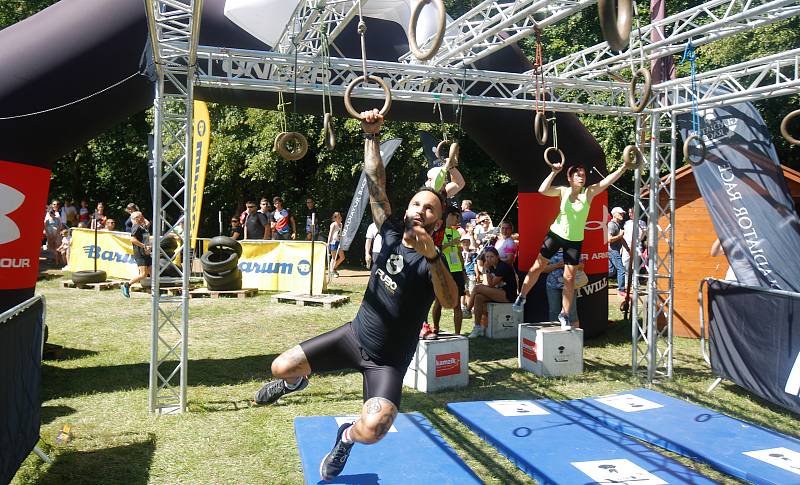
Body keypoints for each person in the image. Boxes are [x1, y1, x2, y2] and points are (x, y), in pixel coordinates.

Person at [253, 109, 458, 482]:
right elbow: (376, 182)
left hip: (388, 362)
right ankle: (294, 383)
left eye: (430, 208)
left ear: (437, 221)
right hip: (354, 337)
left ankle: (344, 438)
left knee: (374, 429)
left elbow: (449, 302)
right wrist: (371, 135)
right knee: (280, 367)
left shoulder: (435, 262)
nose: (421, 210)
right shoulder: (392, 231)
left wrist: (432, 255)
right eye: (416, 203)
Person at [513, 159, 636, 329]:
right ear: (570, 178)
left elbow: (608, 180)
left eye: (583, 175)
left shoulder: (589, 193)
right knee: (537, 266)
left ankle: (564, 313)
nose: (581, 178)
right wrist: (554, 172)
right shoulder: (563, 191)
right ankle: (522, 296)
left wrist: (623, 167)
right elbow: (542, 190)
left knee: (569, 278)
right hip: (555, 235)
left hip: (574, 241)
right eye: (578, 175)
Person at [424, 205, 466, 338]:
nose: (457, 219)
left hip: (456, 270)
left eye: (458, 217)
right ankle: (435, 327)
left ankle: (458, 334)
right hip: (442, 269)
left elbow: (458, 252)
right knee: (439, 300)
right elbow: (435, 249)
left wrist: (463, 269)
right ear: (447, 216)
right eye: (455, 216)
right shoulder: (437, 231)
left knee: (457, 303)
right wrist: (450, 243)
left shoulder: (456, 232)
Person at [466, 246, 517, 338]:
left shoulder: (503, 266)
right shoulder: (492, 266)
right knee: (478, 297)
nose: (489, 259)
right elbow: (489, 284)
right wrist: (487, 269)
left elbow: (491, 285)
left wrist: (486, 269)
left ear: (497, 257)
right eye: (487, 257)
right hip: (498, 292)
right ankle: (478, 327)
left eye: (491, 256)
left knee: (477, 288)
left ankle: (467, 310)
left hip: (508, 295)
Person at [544, 250, 582, 327]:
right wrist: (558, 265)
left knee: (572, 312)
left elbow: (581, 266)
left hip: (570, 286)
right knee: (554, 312)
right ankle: (555, 336)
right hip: (552, 285)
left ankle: (575, 337)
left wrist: (569, 264)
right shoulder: (549, 251)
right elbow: (543, 269)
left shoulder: (573, 250)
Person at [121, 211, 151, 298]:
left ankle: (156, 293)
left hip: (146, 253)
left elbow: (148, 223)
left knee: (153, 272)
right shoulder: (136, 227)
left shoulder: (142, 227)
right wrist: (144, 246)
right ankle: (127, 285)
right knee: (143, 274)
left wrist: (140, 215)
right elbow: (133, 239)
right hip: (140, 253)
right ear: (136, 219)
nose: (143, 218)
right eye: (141, 217)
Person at [608, 206, 627, 297]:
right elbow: (609, 239)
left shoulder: (618, 225)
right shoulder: (611, 225)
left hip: (613, 250)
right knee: (621, 270)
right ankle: (621, 290)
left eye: (623, 213)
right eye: (620, 213)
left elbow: (621, 239)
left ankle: (598, 280)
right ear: (614, 214)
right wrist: (620, 236)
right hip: (612, 250)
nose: (622, 214)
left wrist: (627, 248)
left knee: (611, 271)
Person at [460, 233, 477, 319]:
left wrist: (477, 273)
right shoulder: (460, 253)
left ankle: (471, 306)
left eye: (467, 242)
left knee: (471, 290)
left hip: (471, 273)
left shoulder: (473, 253)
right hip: (463, 273)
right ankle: (463, 306)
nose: (465, 244)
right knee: (464, 290)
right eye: (464, 242)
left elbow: (475, 264)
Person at [328, 211, 345, 277]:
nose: (340, 217)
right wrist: (328, 243)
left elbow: (340, 233)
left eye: (340, 216)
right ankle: (332, 271)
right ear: (335, 218)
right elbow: (330, 234)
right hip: (333, 242)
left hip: (339, 242)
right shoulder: (333, 224)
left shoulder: (341, 224)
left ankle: (333, 268)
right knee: (334, 257)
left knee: (342, 257)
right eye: (338, 216)